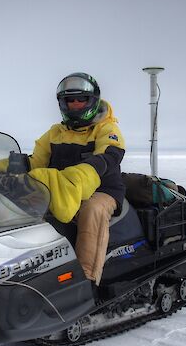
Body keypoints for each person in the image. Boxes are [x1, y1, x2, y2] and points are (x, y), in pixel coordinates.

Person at [25, 72, 126, 286]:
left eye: (81, 99)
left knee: (92, 210)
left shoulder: (106, 127)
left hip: (102, 190)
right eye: (71, 100)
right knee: (25, 209)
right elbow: (36, 162)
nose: (76, 104)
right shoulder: (55, 133)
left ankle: (86, 280)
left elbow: (110, 154)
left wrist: (91, 168)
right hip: (61, 190)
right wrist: (10, 168)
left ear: (91, 101)